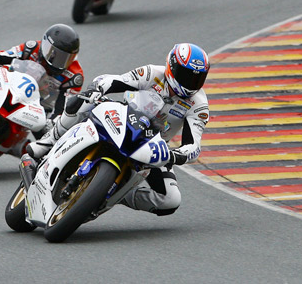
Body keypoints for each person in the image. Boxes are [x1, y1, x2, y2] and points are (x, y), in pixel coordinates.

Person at [22, 43, 211, 216]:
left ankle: (112, 194)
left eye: (198, 78)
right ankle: (47, 143)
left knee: (170, 200)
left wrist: (174, 156)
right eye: (186, 75)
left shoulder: (199, 105)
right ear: (172, 67)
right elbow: (116, 81)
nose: (191, 82)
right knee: (81, 102)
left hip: (152, 145)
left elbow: (193, 146)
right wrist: (97, 89)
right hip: (123, 118)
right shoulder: (153, 73)